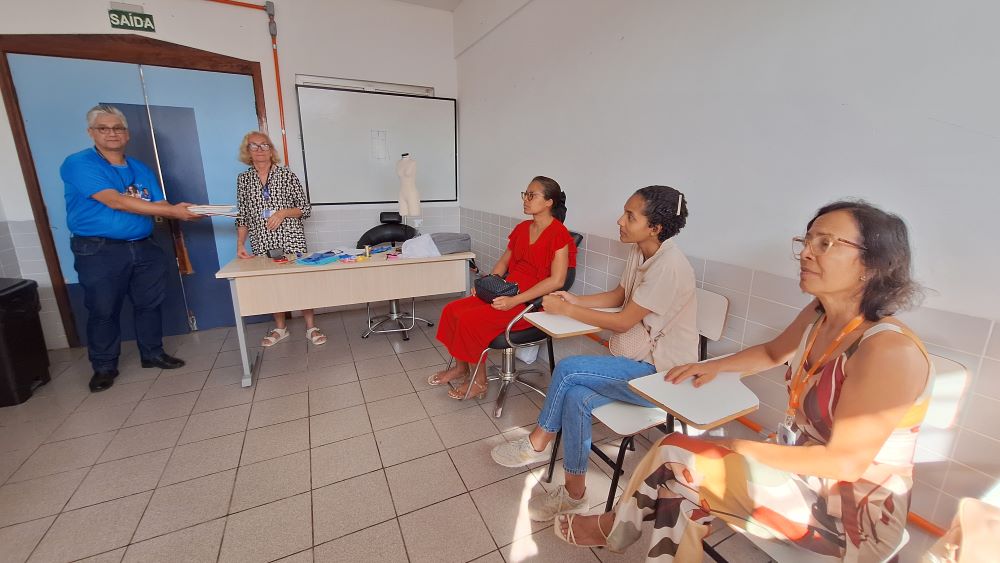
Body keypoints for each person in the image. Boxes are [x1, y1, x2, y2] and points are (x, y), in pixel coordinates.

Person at [553, 200, 931, 563]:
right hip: (803, 473)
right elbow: (772, 352)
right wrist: (711, 366)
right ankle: (618, 528)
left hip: (849, 514)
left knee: (676, 458)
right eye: (807, 241)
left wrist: (734, 446)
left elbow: (844, 464)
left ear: (872, 264)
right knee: (677, 474)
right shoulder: (819, 314)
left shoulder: (887, 350)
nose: (805, 253)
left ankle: (614, 527)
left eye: (826, 243)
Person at [490, 186, 698, 522]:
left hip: (661, 376)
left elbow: (623, 321)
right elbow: (619, 295)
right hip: (636, 363)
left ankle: (537, 442)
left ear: (655, 227)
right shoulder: (641, 251)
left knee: (568, 369)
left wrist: (568, 311)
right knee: (575, 396)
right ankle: (575, 495)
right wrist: (575, 300)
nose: (620, 221)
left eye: (630, 216)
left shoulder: (669, 267)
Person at [61, 104, 200, 392]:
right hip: (99, 250)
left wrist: (183, 210)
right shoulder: (79, 163)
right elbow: (115, 201)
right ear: (91, 132)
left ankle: (152, 353)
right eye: (104, 128)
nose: (112, 133)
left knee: (149, 304)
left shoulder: (140, 168)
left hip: (144, 246)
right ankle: (104, 367)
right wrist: (174, 212)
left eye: (118, 128)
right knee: (103, 309)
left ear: (127, 133)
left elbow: (159, 204)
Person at [429, 176, 575, 400]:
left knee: (469, 320)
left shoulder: (559, 234)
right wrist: (488, 284)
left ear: (549, 202)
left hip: (531, 304)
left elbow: (557, 280)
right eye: (525, 194)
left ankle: (479, 381)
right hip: (506, 291)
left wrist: (515, 301)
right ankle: (461, 368)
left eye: (532, 195)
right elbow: (504, 262)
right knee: (452, 310)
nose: (525, 199)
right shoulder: (522, 228)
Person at [234, 131, 326, 347]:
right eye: (254, 146)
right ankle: (280, 328)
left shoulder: (286, 175)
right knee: (272, 284)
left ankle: (311, 327)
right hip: (262, 241)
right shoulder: (243, 179)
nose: (259, 150)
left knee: (300, 283)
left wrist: (283, 212)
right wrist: (240, 243)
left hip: (291, 238)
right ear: (247, 151)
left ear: (271, 149)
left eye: (264, 145)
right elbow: (242, 215)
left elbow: (305, 209)